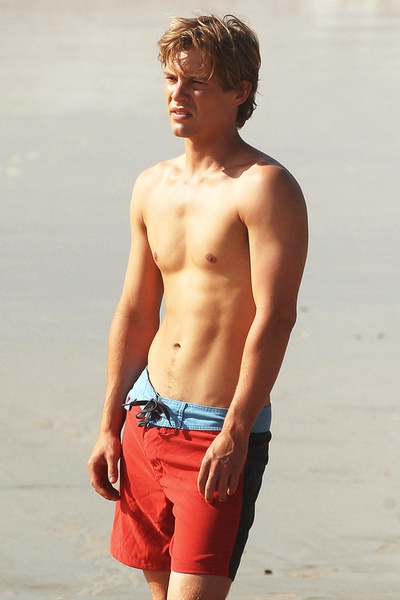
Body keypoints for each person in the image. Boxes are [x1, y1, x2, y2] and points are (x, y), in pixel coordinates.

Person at [88, 13, 308, 600]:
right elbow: (136, 310)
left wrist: (236, 431)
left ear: (240, 91)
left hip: (215, 434)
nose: (176, 95)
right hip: (145, 419)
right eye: (170, 79)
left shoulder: (264, 187)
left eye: (196, 83)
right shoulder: (151, 185)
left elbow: (276, 318)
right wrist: (109, 422)